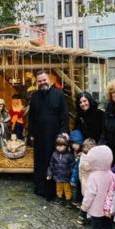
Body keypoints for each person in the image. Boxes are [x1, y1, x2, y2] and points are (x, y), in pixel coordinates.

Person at [28, 70, 69, 200]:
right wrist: (31, 133)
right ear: (37, 82)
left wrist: (64, 131)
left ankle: (53, 190)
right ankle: (40, 187)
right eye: (39, 81)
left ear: (49, 79)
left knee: (53, 162)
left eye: (44, 80)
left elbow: (64, 114)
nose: (42, 82)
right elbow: (31, 117)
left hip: (54, 135)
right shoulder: (34, 96)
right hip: (39, 136)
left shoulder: (59, 94)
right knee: (40, 162)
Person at [81, 146, 115, 229]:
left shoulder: (93, 176)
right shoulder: (111, 174)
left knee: (96, 226)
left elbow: (90, 194)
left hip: (96, 209)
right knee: (109, 225)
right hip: (108, 209)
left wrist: (84, 208)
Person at [46, 135, 74, 205]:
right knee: (58, 189)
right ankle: (59, 198)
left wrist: (71, 175)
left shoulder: (69, 155)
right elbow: (51, 165)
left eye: (61, 145)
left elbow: (72, 166)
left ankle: (68, 201)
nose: (59, 147)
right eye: (57, 145)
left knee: (67, 189)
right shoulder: (54, 154)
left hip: (66, 177)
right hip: (57, 176)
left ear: (66, 146)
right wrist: (49, 174)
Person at [77, 138, 97, 225]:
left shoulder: (83, 156)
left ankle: (86, 216)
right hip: (86, 182)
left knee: (87, 199)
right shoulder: (85, 158)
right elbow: (86, 167)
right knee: (88, 200)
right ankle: (84, 216)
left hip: (86, 181)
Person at [69, 130, 84, 207]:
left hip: (79, 174)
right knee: (73, 188)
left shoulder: (82, 154)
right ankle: (74, 201)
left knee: (78, 188)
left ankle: (77, 201)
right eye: (73, 143)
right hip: (73, 173)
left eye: (77, 144)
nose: (74, 146)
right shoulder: (71, 152)